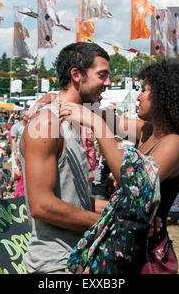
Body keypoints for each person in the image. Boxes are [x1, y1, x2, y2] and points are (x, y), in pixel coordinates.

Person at [60, 60, 179, 273]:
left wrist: (96, 124)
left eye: (144, 90)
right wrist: (56, 99)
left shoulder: (175, 144)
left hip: (144, 255)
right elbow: (114, 121)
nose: (138, 96)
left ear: (165, 98)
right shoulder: (147, 130)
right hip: (127, 243)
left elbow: (133, 182)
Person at [19, 42, 118, 274]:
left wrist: (124, 211)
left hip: (77, 260)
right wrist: (108, 224)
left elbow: (76, 201)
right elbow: (42, 205)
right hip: (54, 266)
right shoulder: (46, 124)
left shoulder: (70, 122)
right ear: (76, 75)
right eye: (102, 75)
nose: (108, 83)